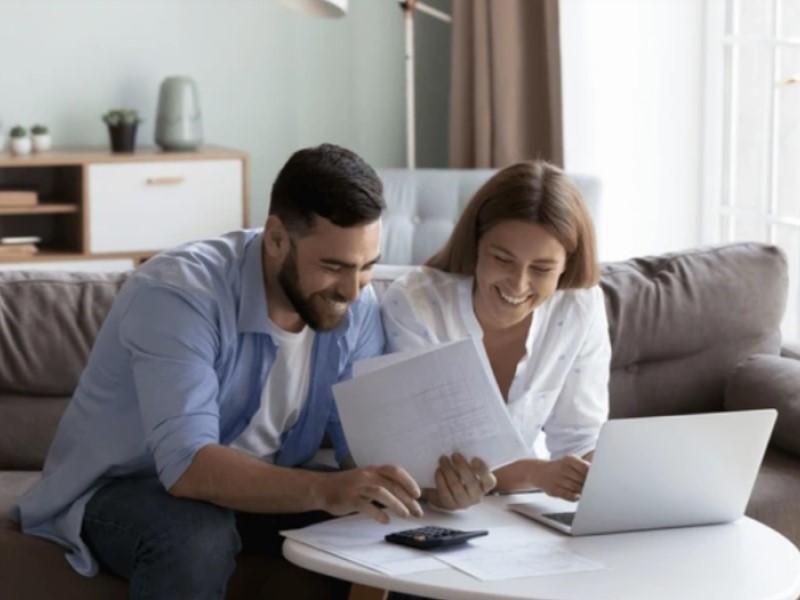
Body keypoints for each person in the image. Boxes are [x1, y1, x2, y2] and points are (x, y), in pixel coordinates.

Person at [13, 143, 426, 599]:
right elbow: (188, 466)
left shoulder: (358, 305)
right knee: (195, 536)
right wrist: (327, 492)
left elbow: (361, 450)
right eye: (333, 267)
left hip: (266, 487)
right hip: (130, 489)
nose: (352, 289)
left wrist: (422, 483)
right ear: (275, 238)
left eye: (367, 266)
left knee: (410, 534)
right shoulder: (178, 294)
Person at [381, 160, 611, 509]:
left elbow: (580, 438)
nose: (518, 285)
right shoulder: (415, 305)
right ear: (476, 245)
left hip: (519, 512)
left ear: (566, 266)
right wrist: (537, 473)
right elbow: (425, 457)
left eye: (542, 269)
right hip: (430, 513)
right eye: (503, 260)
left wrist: (604, 473)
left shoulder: (580, 306)